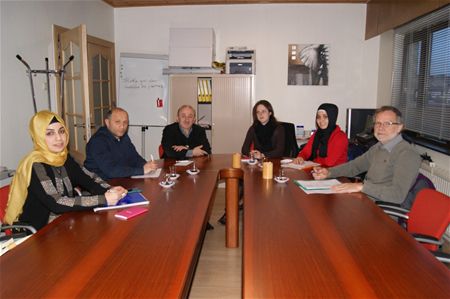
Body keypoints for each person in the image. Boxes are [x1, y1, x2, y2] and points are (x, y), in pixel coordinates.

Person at [3, 111, 126, 231]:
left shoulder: (64, 157)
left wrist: (110, 189)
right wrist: (103, 199)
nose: (59, 138)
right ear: (38, 136)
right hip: (37, 232)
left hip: (63, 223)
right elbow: (56, 202)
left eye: (61, 131)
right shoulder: (36, 165)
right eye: (49, 133)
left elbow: (88, 178)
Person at [312, 106, 421, 206]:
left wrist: (361, 186)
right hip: (366, 200)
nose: (380, 128)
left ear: (399, 127)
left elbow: (397, 195)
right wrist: (329, 172)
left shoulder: (407, 154)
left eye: (387, 123)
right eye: (378, 123)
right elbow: (355, 166)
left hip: (383, 211)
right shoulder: (379, 146)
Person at [84, 107, 157, 180]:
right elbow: (111, 171)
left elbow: (135, 158)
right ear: (107, 122)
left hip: (118, 179)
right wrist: (142, 170)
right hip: (97, 181)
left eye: (125, 122)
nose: (122, 126)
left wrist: (146, 165)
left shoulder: (123, 136)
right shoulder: (98, 141)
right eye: (117, 122)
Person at [294, 103, 348, 167]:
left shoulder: (340, 137)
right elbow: (305, 152)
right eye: (318, 117)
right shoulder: (317, 133)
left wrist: (311, 161)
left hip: (335, 174)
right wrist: (300, 157)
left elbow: (328, 162)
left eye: (325, 117)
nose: (321, 120)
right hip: (319, 170)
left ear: (332, 117)